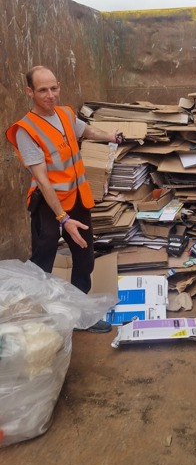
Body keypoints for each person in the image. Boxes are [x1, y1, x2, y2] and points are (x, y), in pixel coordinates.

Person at [6, 65, 122, 333]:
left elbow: (85, 132)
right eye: (42, 90)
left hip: (77, 198)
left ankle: (80, 316)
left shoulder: (65, 114)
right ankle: (40, 322)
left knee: (85, 258)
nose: (50, 95)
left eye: (54, 88)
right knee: (43, 262)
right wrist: (63, 219)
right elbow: (43, 180)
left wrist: (109, 136)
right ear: (30, 92)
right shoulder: (26, 130)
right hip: (48, 204)